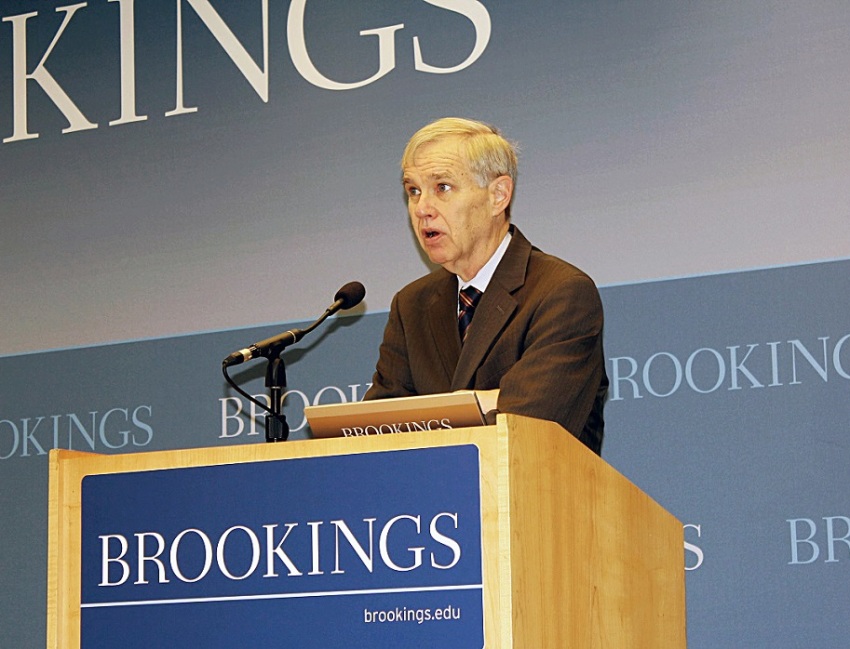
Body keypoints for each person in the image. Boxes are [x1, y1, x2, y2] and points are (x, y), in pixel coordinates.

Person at [364, 117, 608, 454]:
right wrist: (485, 402)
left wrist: (452, 412)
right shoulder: (412, 305)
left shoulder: (561, 293)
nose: (421, 209)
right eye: (413, 191)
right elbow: (375, 432)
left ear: (498, 195)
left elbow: (527, 428)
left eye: (442, 188)